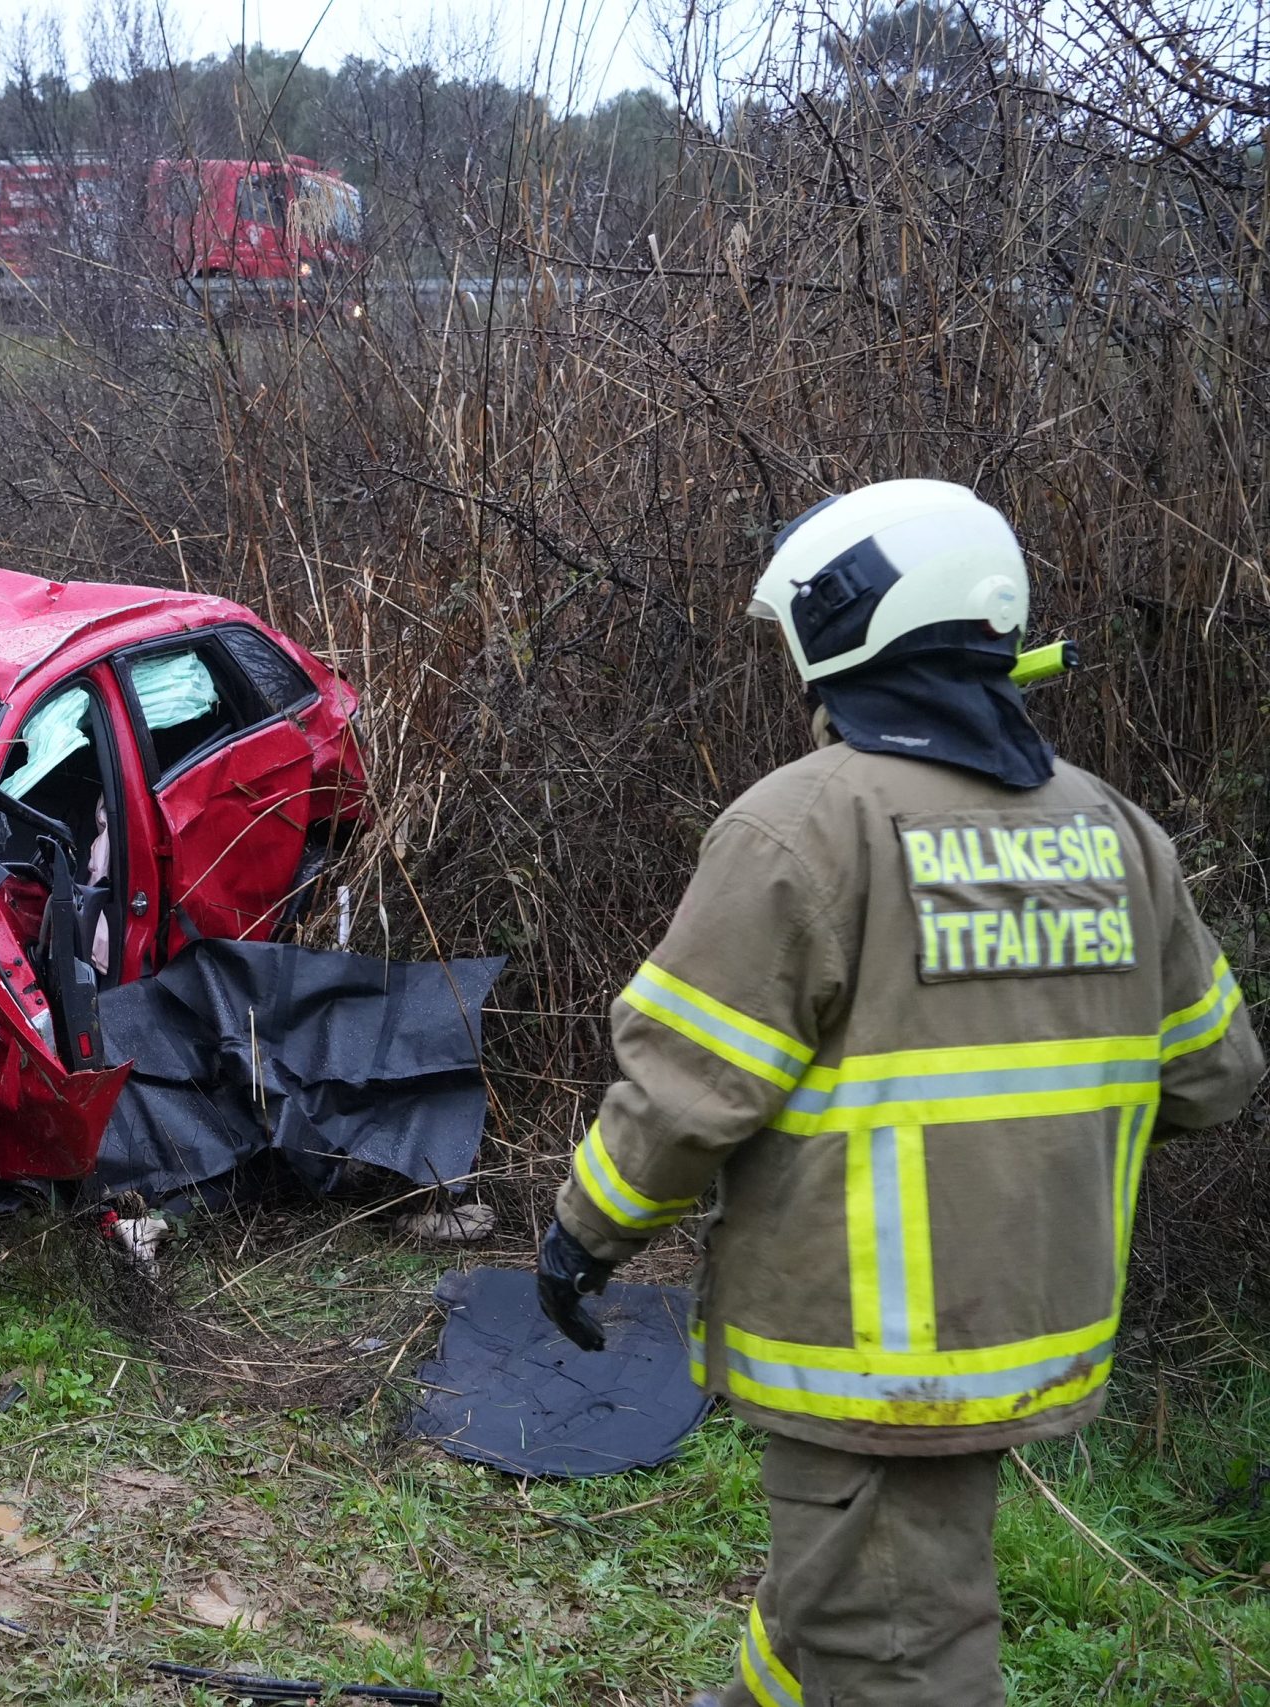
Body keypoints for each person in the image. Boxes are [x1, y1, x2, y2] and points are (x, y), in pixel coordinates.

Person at [535, 479, 1262, 1707]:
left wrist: (582, 1233)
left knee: (892, 1646)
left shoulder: (804, 827)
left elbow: (685, 1093)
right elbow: (1213, 1075)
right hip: (1032, 1319)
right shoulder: (1114, 831)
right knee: (850, 1584)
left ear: (845, 628)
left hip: (868, 1347)